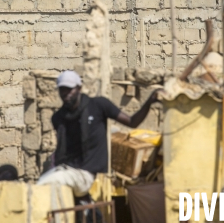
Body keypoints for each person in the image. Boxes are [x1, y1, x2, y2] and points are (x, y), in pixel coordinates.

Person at [37, 70, 160, 200]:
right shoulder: (59, 118)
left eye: (69, 90)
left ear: (79, 88)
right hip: (66, 170)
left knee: (45, 183)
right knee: (44, 182)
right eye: (62, 90)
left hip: (84, 174)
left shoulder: (98, 106)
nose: (65, 94)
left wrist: (149, 101)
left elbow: (132, 122)